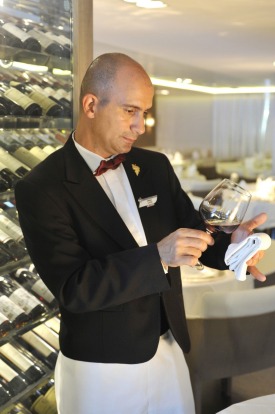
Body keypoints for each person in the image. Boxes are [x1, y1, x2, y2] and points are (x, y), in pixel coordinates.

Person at [14, 53, 267, 414]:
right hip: (101, 366)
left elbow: (193, 232)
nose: (141, 125)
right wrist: (158, 257)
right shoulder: (41, 187)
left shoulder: (154, 166)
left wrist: (232, 247)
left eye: (145, 112)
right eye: (130, 110)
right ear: (90, 105)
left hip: (169, 349)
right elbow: (75, 288)